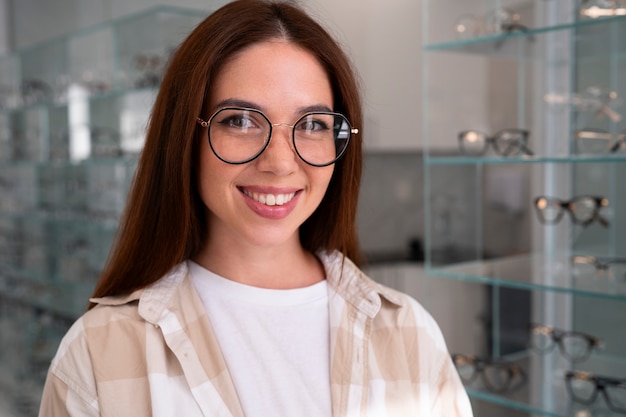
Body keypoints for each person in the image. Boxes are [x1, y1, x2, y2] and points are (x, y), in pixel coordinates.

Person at [38, 0, 473, 416]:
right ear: (185, 138)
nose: (281, 163)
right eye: (240, 120)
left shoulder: (410, 334)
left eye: (313, 125)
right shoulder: (98, 355)